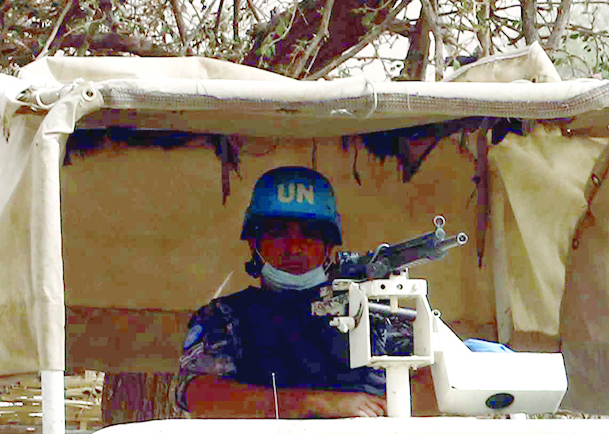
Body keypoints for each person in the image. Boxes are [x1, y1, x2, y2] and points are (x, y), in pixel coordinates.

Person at [177, 164, 435, 419]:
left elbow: (437, 382)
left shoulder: (375, 309)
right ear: (253, 244)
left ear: (328, 246)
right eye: (278, 233)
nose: (294, 247)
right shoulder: (223, 317)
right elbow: (198, 394)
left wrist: (381, 409)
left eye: (310, 234)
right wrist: (314, 403)